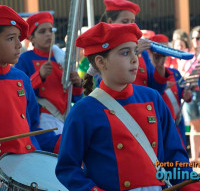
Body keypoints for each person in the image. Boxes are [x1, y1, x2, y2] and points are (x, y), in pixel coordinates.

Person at [56, 22, 200, 191]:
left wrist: (192, 187)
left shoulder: (152, 98)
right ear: (101, 62)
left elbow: (175, 157)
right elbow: (67, 168)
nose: (134, 58)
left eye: (135, 51)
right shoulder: (83, 111)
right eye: (125, 52)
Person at [0, 5, 61, 156]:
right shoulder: (26, 62)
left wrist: (64, 143)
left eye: (18, 37)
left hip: (27, 162)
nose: (18, 45)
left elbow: (33, 128)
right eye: (10, 38)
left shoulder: (21, 78)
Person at [15, 12, 83, 134]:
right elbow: (18, 92)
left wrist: (77, 85)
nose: (48, 34)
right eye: (42, 31)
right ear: (32, 38)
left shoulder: (64, 59)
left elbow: (74, 97)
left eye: (51, 30)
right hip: (42, 119)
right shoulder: (24, 59)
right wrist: (39, 76)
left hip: (67, 117)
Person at [98, 0, 169, 94]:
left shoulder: (142, 52)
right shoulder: (100, 49)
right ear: (110, 22)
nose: (131, 26)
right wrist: (134, 52)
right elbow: (102, 86)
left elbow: (156, 90)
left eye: (133, 22)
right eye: (125, 21)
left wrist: (160, 67)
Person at [149, 34, 193, 148]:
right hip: (162, 121)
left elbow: (183, 91)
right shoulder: (149, 74)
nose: (163, 55)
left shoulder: (174, 72)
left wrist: (187, 95)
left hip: (178, 121)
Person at [182, 26, 200, 162]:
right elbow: (182, 73)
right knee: (194, 126)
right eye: (193, 38)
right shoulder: (188, 56)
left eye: (198, 38)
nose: (195, 41)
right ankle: (194, 158)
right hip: (190, 95)